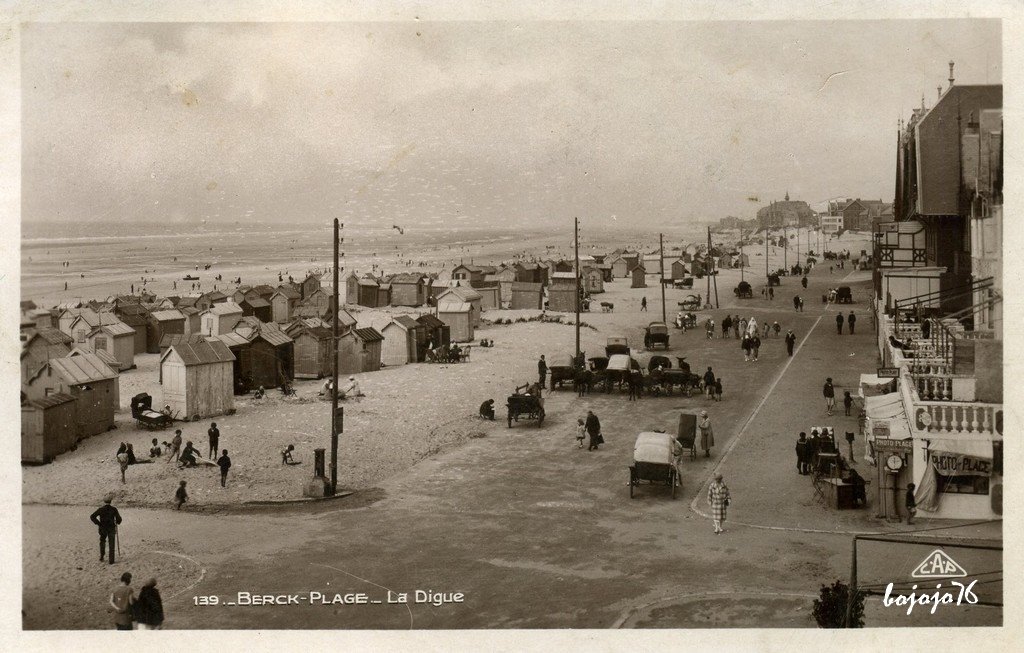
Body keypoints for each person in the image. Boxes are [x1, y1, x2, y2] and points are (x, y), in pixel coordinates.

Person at [90, 493, 122, 564]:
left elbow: (92, 516)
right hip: (111, 528)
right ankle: (111, 560)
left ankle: (102, 556)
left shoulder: (101, 509)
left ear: (104, 502)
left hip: (103, 528)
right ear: (110, 501)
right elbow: (119, 519)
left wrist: (98, 523)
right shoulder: (114, 509)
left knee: (102, 541)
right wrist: (117, 522)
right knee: (111, 543)